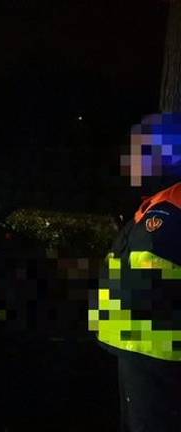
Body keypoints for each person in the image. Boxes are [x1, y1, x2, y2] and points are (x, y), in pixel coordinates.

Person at [89, 113, 181, 432]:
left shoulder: (173, 208)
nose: (130, 163)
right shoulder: (155, 205)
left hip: (158, 354)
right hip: (137, 348)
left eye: (140, 152)